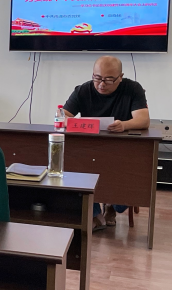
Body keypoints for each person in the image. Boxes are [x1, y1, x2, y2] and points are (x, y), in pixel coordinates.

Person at [63, 55, 150, 229]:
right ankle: (95, 214)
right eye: (97, 78)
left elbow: (144, 120)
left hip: (122, 150)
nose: (101, 84)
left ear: (120, 77)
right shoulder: (83, 90)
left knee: (125, 184)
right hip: (90, 150)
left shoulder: (133, 89)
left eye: (109, 80)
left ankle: (112, 204)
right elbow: (62, 116)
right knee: (76, 164)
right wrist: (78, 124)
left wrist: (124, 125)